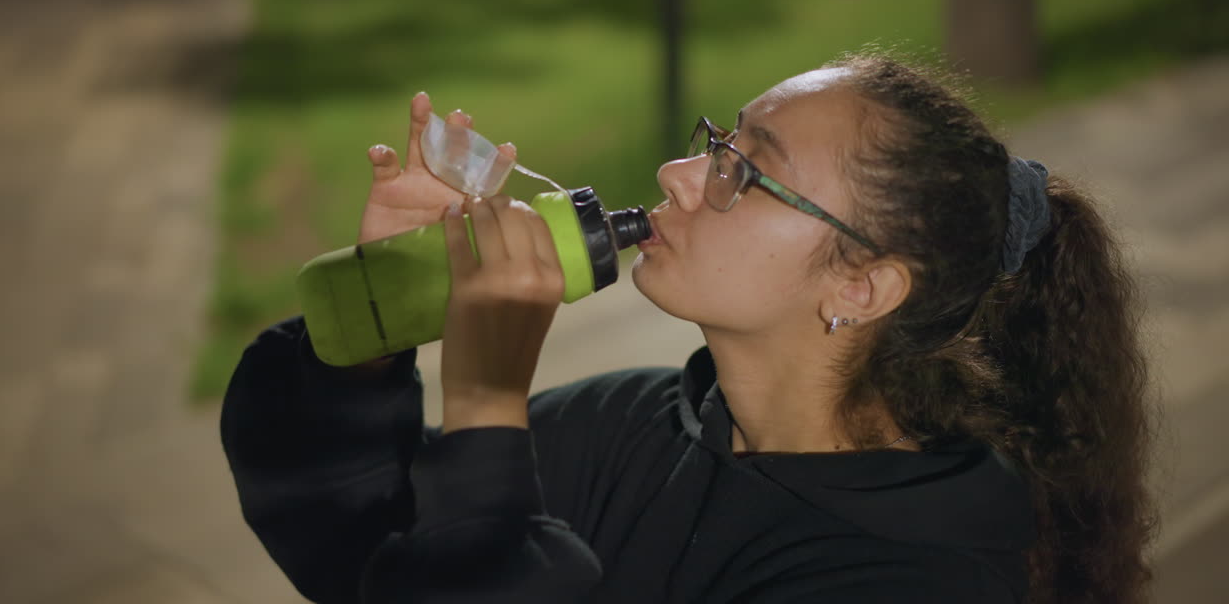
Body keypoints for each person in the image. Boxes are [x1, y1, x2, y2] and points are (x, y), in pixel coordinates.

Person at [220, 54, 1157, 603]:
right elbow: (370, 548)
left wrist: (485, 401)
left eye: (745, 172)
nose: (675, 172)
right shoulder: (629, 422)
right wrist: (377, 328)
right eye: (721, 142)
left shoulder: (913, 576)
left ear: (865, 286)